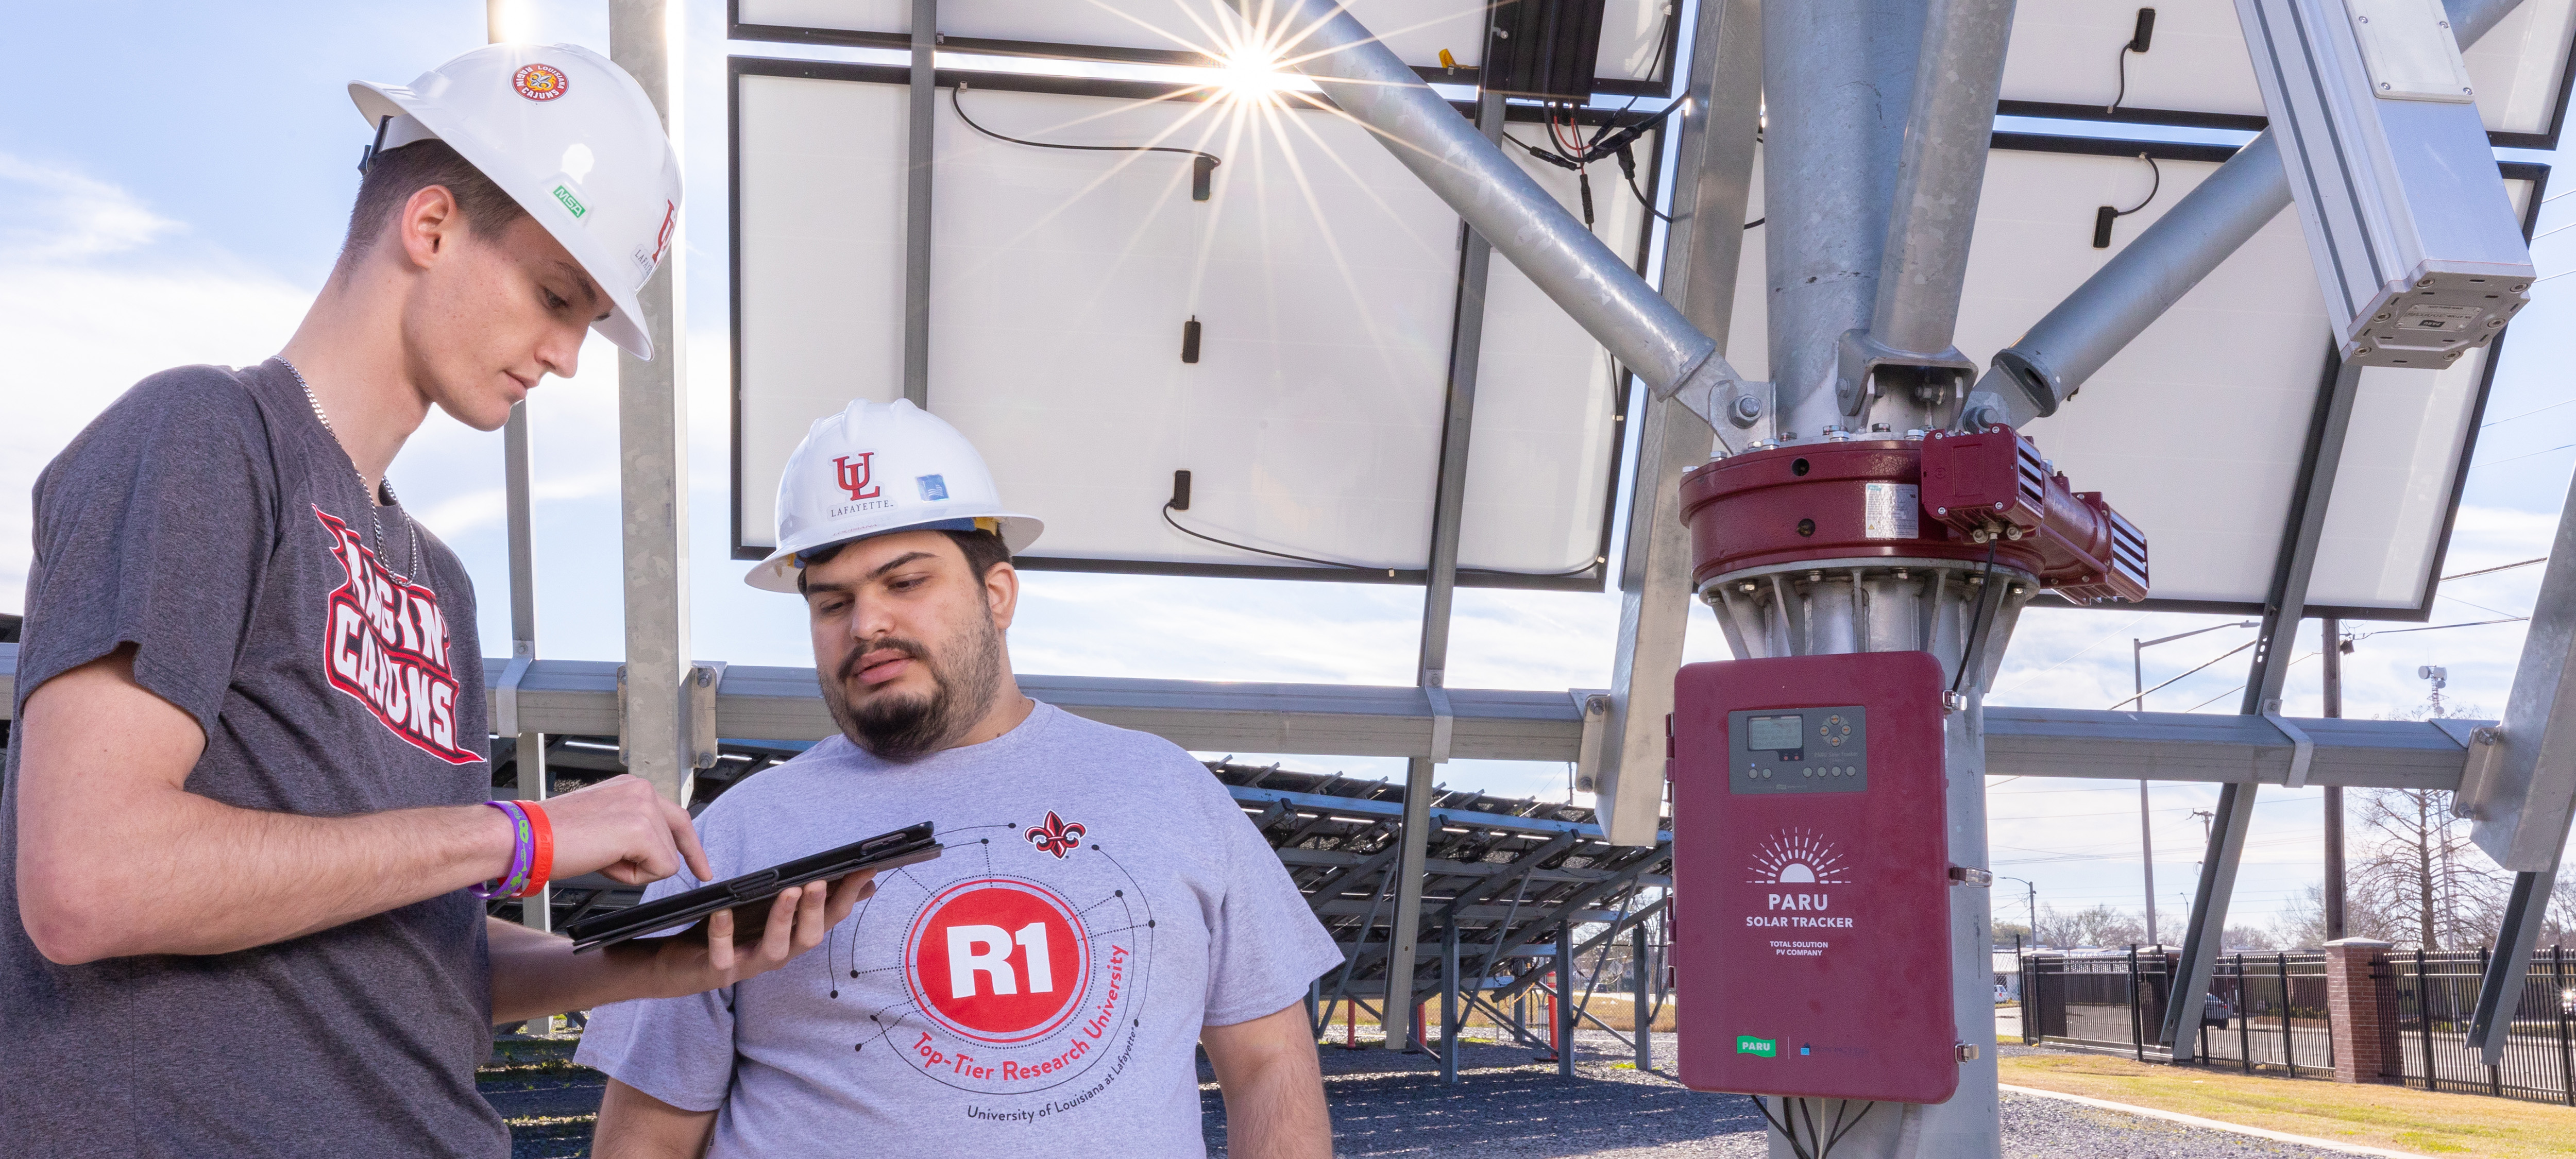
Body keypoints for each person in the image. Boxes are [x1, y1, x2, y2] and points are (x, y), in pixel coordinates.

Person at [4, 44, 871, 1158]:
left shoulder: (438, 583)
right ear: (429, 226)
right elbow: (88, 879)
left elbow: (415, 965)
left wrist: (656, 961)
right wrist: (524, 832)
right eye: (555, 297)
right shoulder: (205, 438)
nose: (567, 356)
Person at [580, 400, 1344, 1158]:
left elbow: (1269, 1066)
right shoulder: (733, 837)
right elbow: (646, 1137)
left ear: (998, 594)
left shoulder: (1168, 791)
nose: (866, 625)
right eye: (833, 602)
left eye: (906, 583)